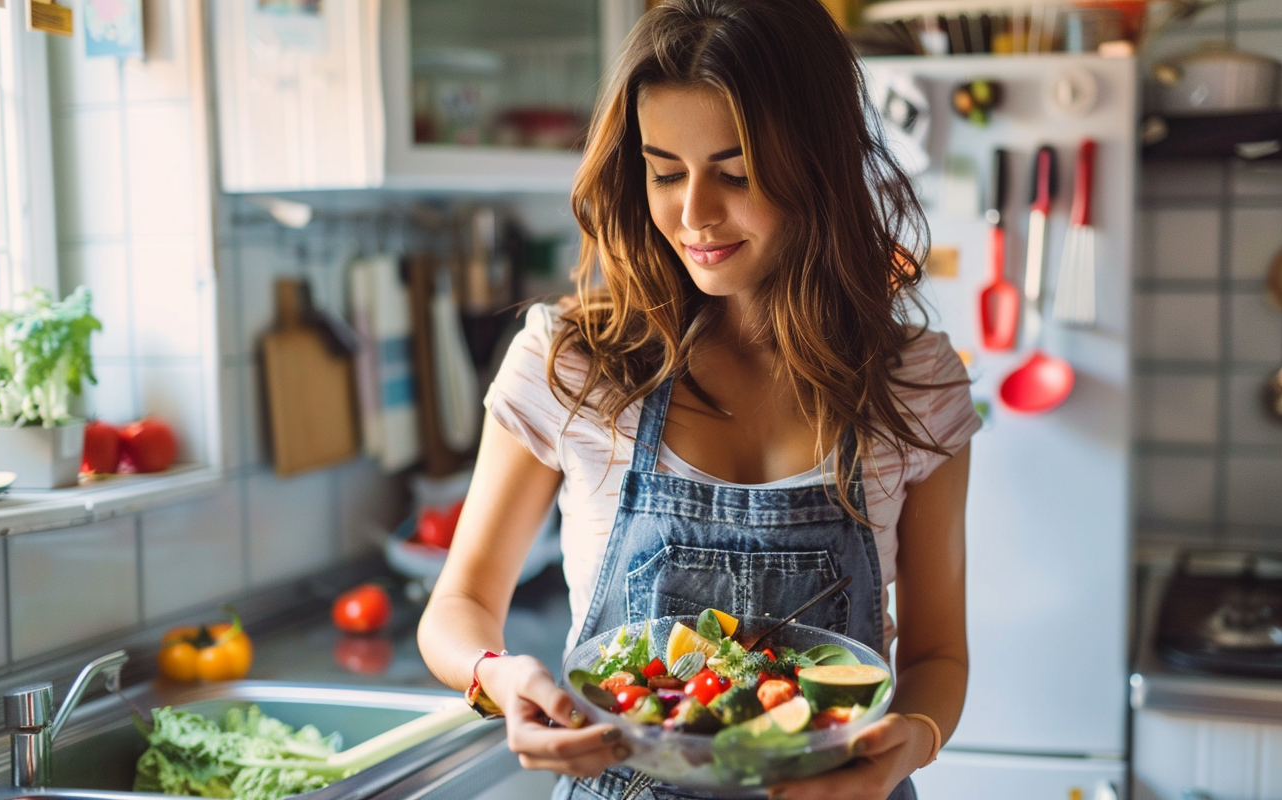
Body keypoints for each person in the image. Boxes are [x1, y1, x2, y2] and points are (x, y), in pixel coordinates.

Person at [417, 1, 977, 798]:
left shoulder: (914, 383)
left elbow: (936, 659)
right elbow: (459, 604)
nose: (693, 213)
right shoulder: (572, 362)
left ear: (815, 163)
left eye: (736, 172)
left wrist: (907, 745)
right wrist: (497, 678)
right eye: (665, 171)